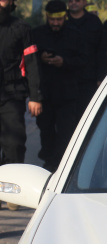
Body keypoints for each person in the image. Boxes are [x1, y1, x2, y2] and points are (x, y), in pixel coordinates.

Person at [33, 0, 88, 172]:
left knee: (66, 133)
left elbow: (83, 61)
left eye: (59, 19)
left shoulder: (75, 35)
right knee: (46, 131)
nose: (55, 23)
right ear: (47, 17)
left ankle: (64, 166)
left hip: (67, 94)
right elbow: (29, 62)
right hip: (45, 93)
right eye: (52, 20)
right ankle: (49, 164)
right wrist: (41, 58)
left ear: (65, 17)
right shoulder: (37, 34)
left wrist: (64, 62)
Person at [0, 0, 43, 210]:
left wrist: (35, 96)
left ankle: (10, 189)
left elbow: (32, 64)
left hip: (12, 94)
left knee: (14, 144)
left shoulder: (21, 28)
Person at [66, 0, 104, 116]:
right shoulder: (62, 20)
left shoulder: (94, 22)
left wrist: (101, 76)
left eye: (77, 0)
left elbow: (101, 50)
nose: (74, 3)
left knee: (87, 114)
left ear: (84, 2)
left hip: (89, 78)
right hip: (65, 79)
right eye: (70, 1)